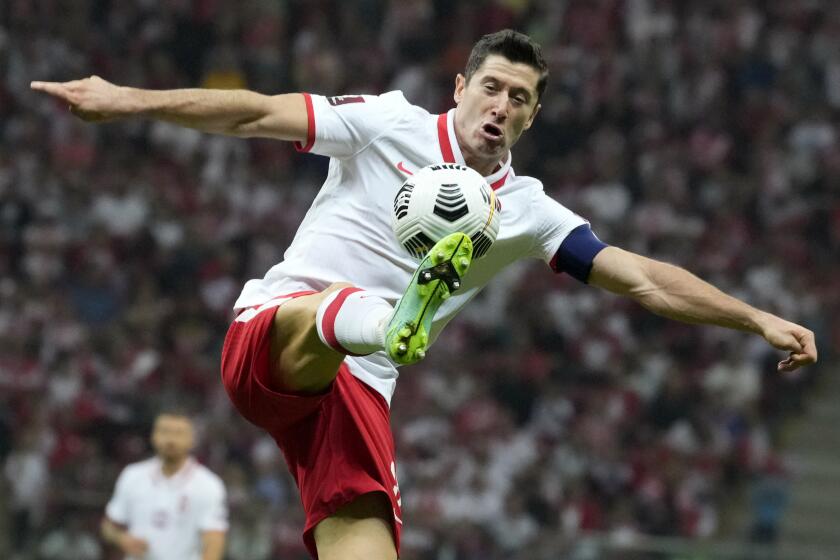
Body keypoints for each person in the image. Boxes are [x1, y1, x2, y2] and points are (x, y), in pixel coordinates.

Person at [31, 29, 817, 560]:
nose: (501, 107)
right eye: (493, 87)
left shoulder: (530, 210)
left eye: (520, 99)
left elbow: (642, 277)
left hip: (360, 394)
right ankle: (381, 317)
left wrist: (754, 318)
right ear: (461, 87)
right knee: (332, 312)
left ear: (533, 117)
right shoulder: (387, 123)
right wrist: (128, 98)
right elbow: (258, 113)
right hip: (279, 332)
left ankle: (385, 325)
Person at [100, 411, 228, 560]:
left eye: (179, 433)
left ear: (192, 439)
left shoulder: (208, 485)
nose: (171, 439)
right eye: (165, 431)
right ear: (153, 436)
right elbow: (108, 527)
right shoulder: (132, 475)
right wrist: (121, 539)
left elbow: (214, 542)